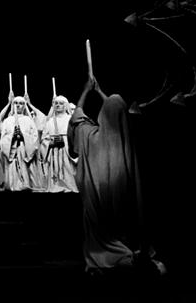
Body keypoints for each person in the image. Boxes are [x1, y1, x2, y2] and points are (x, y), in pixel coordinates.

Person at [67, 75, 165, 276]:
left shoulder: (90, 136)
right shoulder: (130, 140)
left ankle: (111, 257)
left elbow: (77, 119)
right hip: (122, 207)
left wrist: (86, 91)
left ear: (102, 114)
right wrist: (102, 93)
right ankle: (132, 257)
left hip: (99, 203)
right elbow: (119, 110)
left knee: (102, 229)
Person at [0, 95, 40, 192]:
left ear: (24, 106)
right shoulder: (7, 121)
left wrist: (23, 136)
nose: (18, 105)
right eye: (16, 103)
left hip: (24, 149)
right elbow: (3, 138)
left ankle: (25, 184)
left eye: (21, 103)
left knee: (25, 170)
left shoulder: (28, 120)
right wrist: (12, 137)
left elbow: (34, 137)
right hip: (12, 149)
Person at [41, 95, 78, 193]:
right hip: (54, 151)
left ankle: (69, 186)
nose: (58, 105)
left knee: (68, 171)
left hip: (67, 151)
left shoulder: (71, 120)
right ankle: (56, 186)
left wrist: (65, 140)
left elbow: (76, 136)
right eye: (56, 103)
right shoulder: (50, 121)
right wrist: (51, 142)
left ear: (65, 106)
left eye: (61, 103)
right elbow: (44, 138)